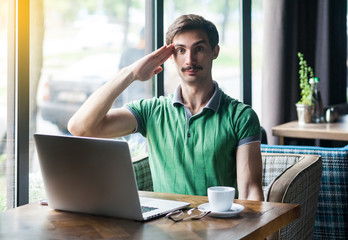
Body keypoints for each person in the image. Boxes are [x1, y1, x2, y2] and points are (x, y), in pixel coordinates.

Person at [68, 14, 264, 201]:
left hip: (221, 231)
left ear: (215, 51)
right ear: (171, 56)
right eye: (181, 50)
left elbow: (250, 193)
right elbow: (81, 127)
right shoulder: (151, 111)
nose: (190, 60)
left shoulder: (241, 116)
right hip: (165, 230)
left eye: (199, 49)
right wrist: (131, 73)